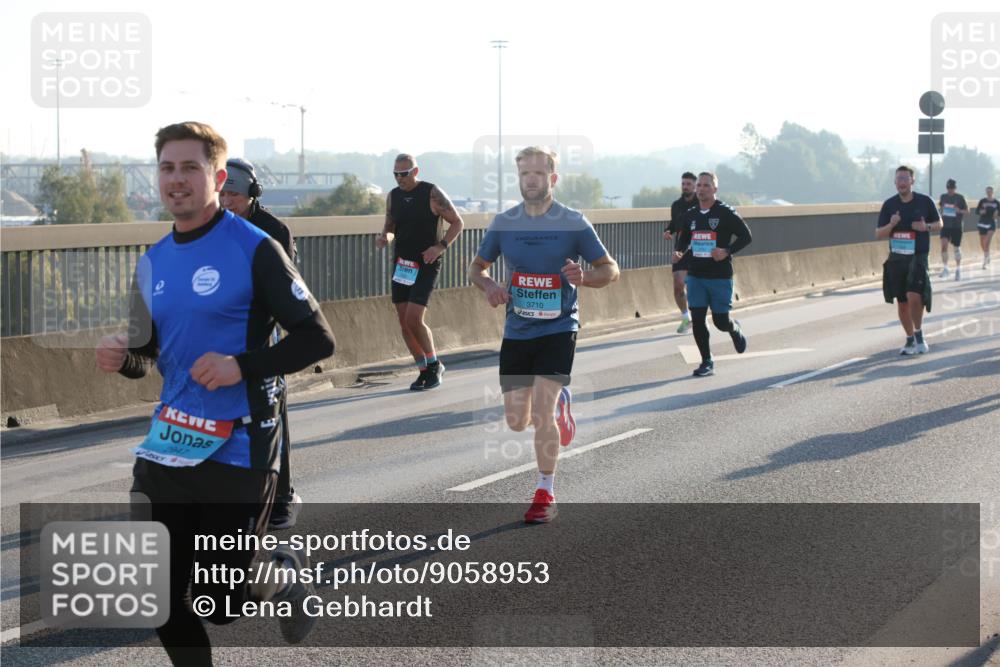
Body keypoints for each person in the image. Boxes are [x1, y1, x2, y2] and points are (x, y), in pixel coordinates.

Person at [95, 122, 335, 665]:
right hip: (170, 440)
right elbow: (147, 354)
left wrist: (240, 367)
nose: (176, 180)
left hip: (238, 444)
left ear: (217, 176)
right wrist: (122, 357)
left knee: (219, 601)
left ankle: (277, 577)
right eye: (167, 168)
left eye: (190, 168)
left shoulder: (255, 249)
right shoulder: (153, 258)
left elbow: (319, 338)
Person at [468, 146, 619, 524]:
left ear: (552, 178)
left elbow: (610, 268)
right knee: (517, 420)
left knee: (542, 411)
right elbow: (477, 267)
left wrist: (587, 278)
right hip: (518, 330)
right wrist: (488, 287)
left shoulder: (573, 222)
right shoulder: (504, 223)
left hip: (559, 326)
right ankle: (560, 405)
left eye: (537, 174)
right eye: (523, 174)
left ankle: (545, 491)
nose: (530, 180)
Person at [220, 157, 301, 530]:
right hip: (222, 338)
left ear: (252, 193)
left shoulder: (274, 230)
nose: (226, 200)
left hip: (264, 336)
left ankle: (281, 496)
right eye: (221, 192)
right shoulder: (211, 228)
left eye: (233, 194)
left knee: (271, 418)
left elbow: (286, 288)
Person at [376, 154, 464, 390]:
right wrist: (386, 237)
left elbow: (457, 222)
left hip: (427, 262)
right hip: (403, 264)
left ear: (415, 172)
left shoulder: (432, 193)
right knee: (404, 322)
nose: (399, 179)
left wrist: (440, 247)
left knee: (415, 317)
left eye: (403, 174)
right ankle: (423, 369)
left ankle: (434, 364)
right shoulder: (393, 196)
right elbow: (391, 226)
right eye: (395, 174)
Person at [672, 172, 751, 377]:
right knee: (697, 318)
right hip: (696, 275)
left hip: (719, 275)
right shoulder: (691, 214)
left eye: (706, 185)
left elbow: (746, 236)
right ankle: (707, 361)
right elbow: (684, 238)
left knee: (720, 321)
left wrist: (726, 251)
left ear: (715, 189)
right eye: (699, 185)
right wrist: (679, 252)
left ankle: (734, 328)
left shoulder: (725, 213)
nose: (701, 189)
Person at [876, 165, 942, 355]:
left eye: (905, 179)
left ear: (912, 181)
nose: (901, 183)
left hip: (918, 256)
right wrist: (892, 224)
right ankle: (910, 340)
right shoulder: (889, 205)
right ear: (895, 182)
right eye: (898, 179)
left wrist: (926, 227)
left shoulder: (924, 201)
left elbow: (940, 224)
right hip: (897, 258)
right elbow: (878, 233)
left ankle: (919, 334)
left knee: (915, 296)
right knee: (902, 302)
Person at [663, 172, 698, 333]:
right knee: (678, 286)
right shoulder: (676, 205)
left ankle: (700, 316)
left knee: (697, 286)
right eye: (683, 184)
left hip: (699, 249)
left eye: (688, 184)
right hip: (680, 250)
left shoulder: (702, 203)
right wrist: (668, 231)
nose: (685, 187)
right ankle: (686, 318)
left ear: (695, 186)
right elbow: (674, 223)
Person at [937, 178, 969, 281]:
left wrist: (959, 210)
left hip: (956, 226)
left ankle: (958, 270)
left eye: (951, 188)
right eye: (948, 188)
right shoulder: (943, 197)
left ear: (955, 188)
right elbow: (941, 208)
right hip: (945, 225)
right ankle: (946, 268)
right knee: (943, 246)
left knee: (956, 248)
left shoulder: (960, 198)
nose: (949, 190)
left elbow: (967, 211)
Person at [976, 186, 998, 269]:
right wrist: (981, 211)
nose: (989, 193)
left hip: (991, 223)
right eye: (987, 191)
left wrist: (997, 213)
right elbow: (976, 211)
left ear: (992, 192)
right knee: (982, 243)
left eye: (990, 191)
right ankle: (987, 255)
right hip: (982, 223)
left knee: (987, 242)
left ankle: (985, 262)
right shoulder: (982, 201)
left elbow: (998, 212)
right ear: (986, 192)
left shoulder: (996, 202)